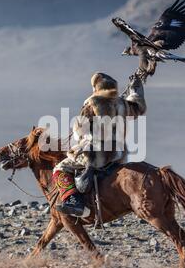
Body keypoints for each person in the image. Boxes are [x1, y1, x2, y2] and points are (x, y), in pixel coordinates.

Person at [52, 72, 146, 217]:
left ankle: (74, 202)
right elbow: (138, 108)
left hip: (96, 154)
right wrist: (135, 90)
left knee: (60, 168)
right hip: (118, 154)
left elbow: (80, 130)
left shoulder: (93, 103)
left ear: (96, 88)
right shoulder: (123, 104)